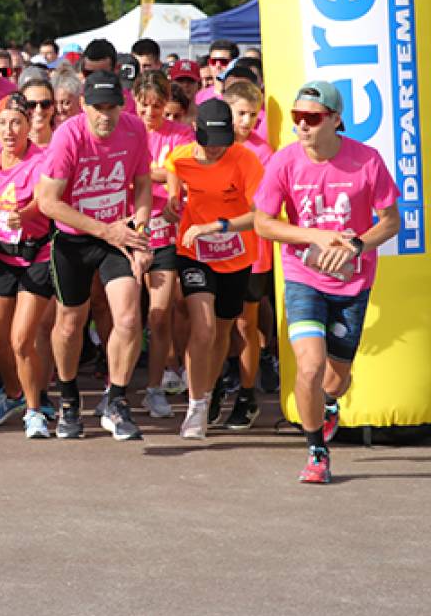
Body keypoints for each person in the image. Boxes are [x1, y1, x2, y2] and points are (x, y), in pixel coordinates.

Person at [253, 81, 401, 484]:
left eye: (312, 118)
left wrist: (356, 245)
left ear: (335, 120)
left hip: (353, 281)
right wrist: (314, 236)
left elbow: (391, 221)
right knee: (310, 366)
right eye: (297, 117)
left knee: (336, 379)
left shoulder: (367, 160)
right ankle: (316, 451)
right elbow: (263, 223)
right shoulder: (284, 161)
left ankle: (330, 404)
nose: (302, 125)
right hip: (303, 276)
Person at [36, 71, 150, 440]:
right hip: (74, 239)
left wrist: (140, 233)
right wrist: (104, 230)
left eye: (112, 107)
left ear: (122, 105)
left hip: (118, 235)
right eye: (98, 107)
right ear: (83, 105)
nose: (105, 115)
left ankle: (116, 401)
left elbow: (143, 183)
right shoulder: (67, 136)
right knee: (70, 323)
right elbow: (48, 202)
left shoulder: (134, 129)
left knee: (129, 318)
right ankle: (69, 398)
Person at [164, 99, 263, 440]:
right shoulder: (183, 156)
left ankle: (207, 393)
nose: (217, 148)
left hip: (236, 254)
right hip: (194, 252)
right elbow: (170, 166)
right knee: (203, 328)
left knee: (222, 331)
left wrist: (218, 226)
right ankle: (195, 406)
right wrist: (173, 196)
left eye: (223, 140)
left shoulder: (245, 160)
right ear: (196, 132)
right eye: (210, 141)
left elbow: (260, 215)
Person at [0, 93, 55, 436]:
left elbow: (44, 200)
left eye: (17, 123)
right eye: (4, 123)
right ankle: (13, 395)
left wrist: (23, 214)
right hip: (1, 256)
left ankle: (35, 412)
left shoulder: (42, 160)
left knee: (21, 339)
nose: (10, 130)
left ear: (29, 126)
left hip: (36, 254)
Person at [133, 72, 193, 416]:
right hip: (129, 229)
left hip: (166, 231)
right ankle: (115, 387)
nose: (150, 113)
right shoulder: (127, 130)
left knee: (159, 314)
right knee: (124, 315)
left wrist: (147, 174)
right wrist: (162, 174)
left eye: (157, 106)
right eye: (144, 106)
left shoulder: (181, 134)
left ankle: (155, 388)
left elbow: (184, 173)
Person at [223, 78, 273, 428]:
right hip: (215, 249)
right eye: (241, 113)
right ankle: (211, 390)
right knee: (214, 323)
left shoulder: (263, 150)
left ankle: (246, 394)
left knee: (245, 323)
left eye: (253, 115)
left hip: (253, 250)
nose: (247, 121)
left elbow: (260, 204)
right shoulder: (212, 144)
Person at [19, 76, 59, 148]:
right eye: (31, 104)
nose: (39, 110)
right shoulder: (13, 146)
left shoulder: (65, 142)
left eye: (45, 104)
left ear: (53, 107)